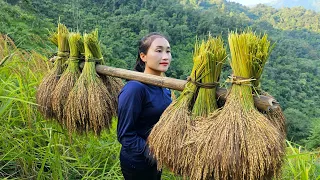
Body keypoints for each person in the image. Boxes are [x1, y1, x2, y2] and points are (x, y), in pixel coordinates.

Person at [117, 32, 172, 180]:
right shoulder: (135, 89)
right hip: (137, 162)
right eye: (159, 51)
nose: (165, 56)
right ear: (143, 56)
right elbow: (125, 135)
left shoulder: (166, 88)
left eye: (168, 51)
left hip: (156, 161)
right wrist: (155, 152)